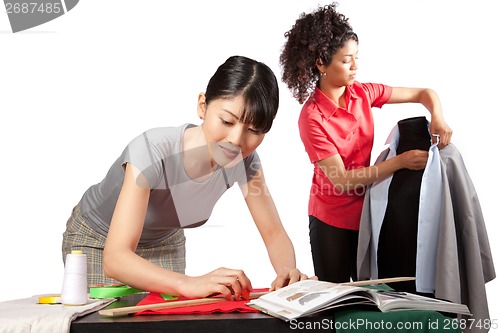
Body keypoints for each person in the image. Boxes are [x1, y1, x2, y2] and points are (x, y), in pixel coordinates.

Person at [62, 55, 311, 300]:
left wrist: (288, 275)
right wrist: (189, 283)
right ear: (202, 105)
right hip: (98, 238)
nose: (236, 140)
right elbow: (116, 258)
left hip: (164, 241)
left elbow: (273, 232)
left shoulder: (246, 162)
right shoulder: (151, 151)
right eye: (226, 121)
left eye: (254, 130)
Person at [279, 3, 452, 283]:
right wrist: (400, 163)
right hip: (330, 219)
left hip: (369, 210)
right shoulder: (311, 118)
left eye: (356, 57)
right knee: (335, 299)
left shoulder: (363, 93)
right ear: (321, 63)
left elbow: (424, 92)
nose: (355, 67)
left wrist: (438, 118)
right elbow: (343, 181)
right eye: (347, 60)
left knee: (369, 291)